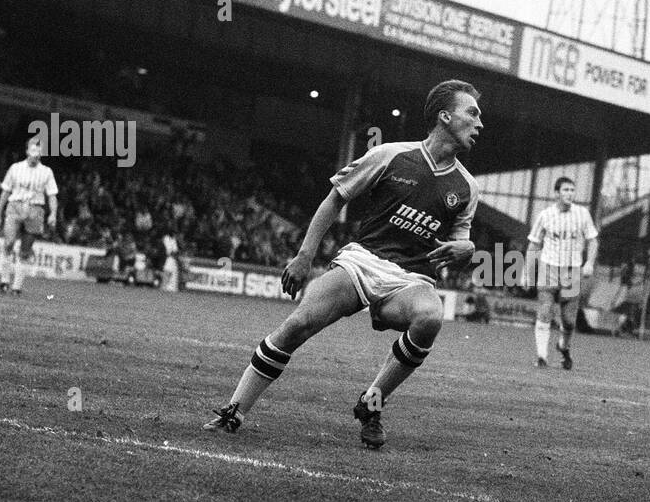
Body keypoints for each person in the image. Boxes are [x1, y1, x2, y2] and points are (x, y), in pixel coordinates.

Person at [203, 80, 482, 448]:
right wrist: (305, 255)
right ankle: (235, 410)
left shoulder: (467, 188)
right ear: (445, 116)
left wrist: (468, 247)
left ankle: (371, 403)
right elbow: (336, 198)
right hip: (362, 262)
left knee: (431, 316)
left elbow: (459, 242)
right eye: (472, 113)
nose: (480, 124)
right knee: (299, 323)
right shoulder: (391, 155)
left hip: (412, 279)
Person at [522, 176, 598, 369]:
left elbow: (593, 240)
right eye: (565, 190)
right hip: (549, 268)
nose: (570, 194)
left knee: (569, 321)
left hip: (572, 271)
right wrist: (526, 272)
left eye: (572, 190)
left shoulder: (582, 214)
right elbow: (534, 244)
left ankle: (563, 346)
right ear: (556, 193)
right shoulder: (545, 215)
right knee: (545, 311)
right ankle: (541, 356)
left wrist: (589, 263)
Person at [0, 136, 58, 295]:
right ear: (27, 150)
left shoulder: (46, 172)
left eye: (38, 151)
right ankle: (4, 280)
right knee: (9, 242)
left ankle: (17, 287)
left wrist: (53, 213)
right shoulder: (15, 168)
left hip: (35, 210)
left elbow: (52, 195)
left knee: (25, 250)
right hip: (15, 206)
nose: (35, 154)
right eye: (32, 150)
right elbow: (5, 191)